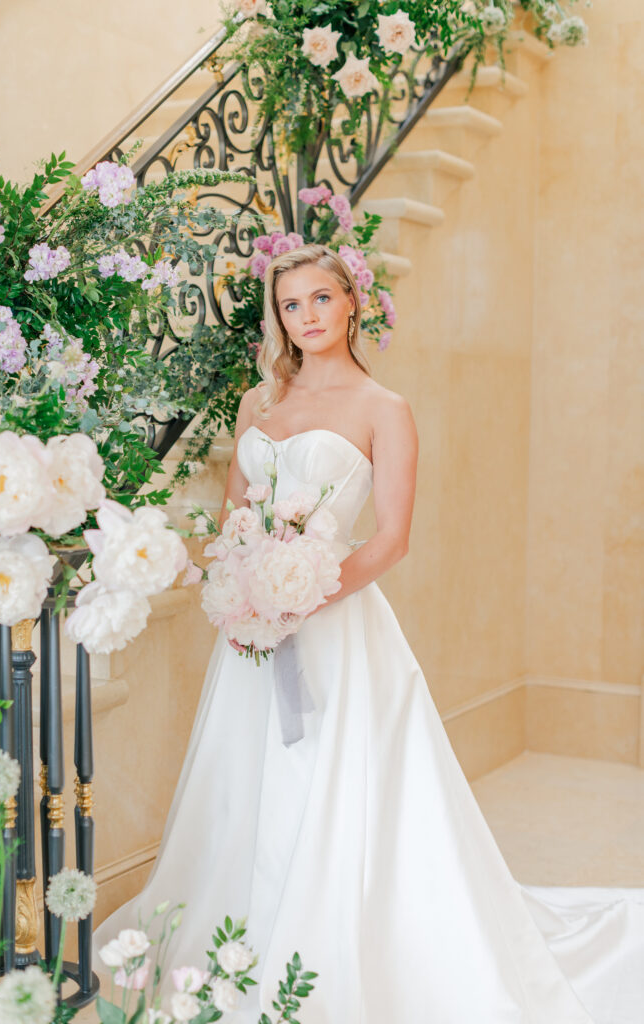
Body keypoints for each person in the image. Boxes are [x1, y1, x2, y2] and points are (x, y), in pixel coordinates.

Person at [94, 244, 644, 1022]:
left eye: (320, 299)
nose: (307, 317)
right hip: (250, 628)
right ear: (278, 318)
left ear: (351, 303)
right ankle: (237, 929)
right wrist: (240, 584)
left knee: (338, 778)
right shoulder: (258, 405)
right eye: (291, 305)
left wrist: (304, 596)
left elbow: (389, 538)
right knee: (241, 775)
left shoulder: (384, 408)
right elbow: (231, 520)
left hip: (335, 625)